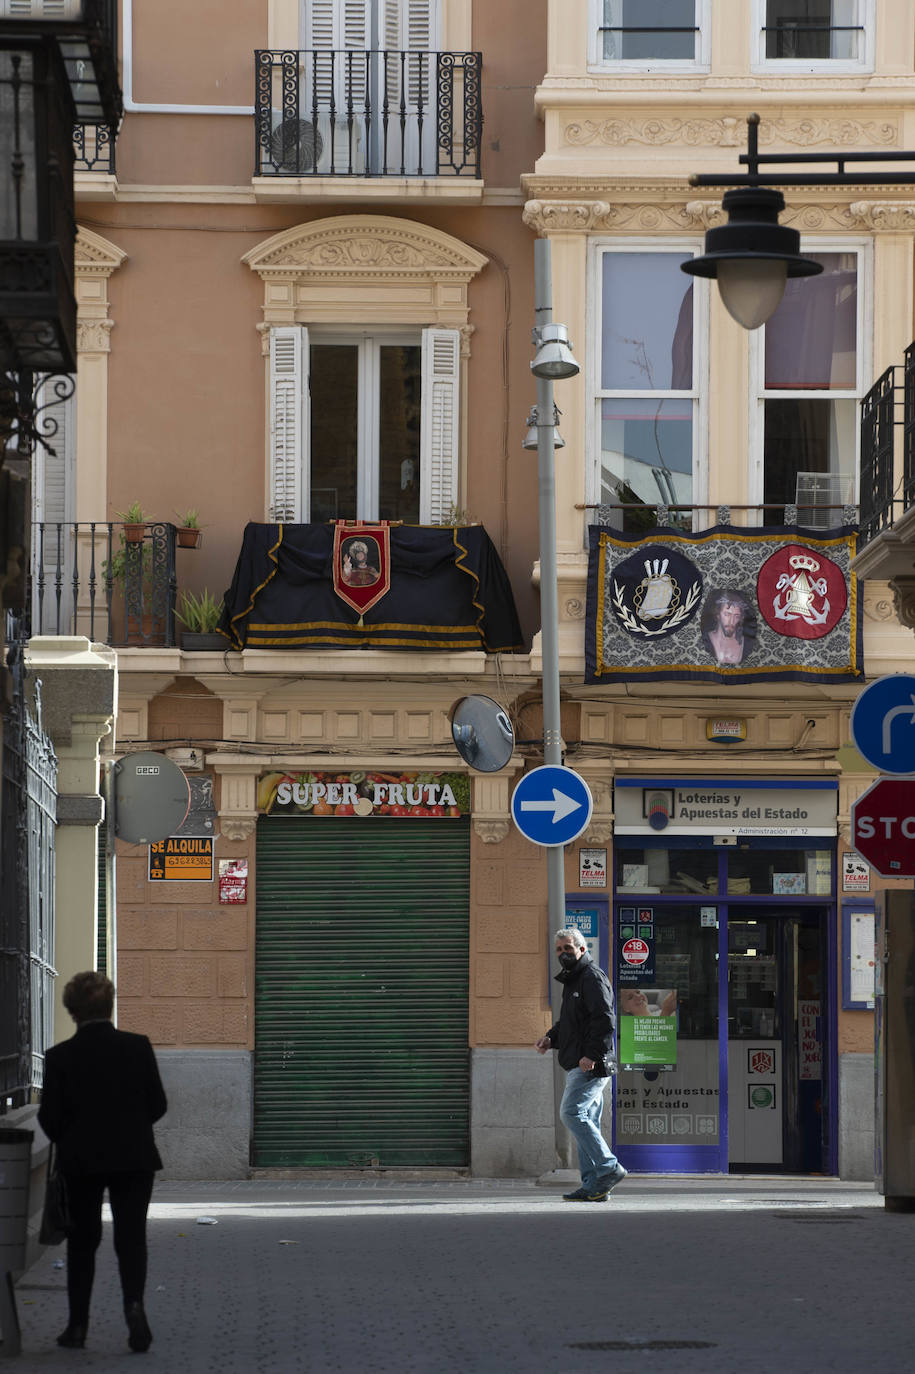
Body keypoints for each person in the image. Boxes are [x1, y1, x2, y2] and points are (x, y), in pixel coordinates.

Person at [38, 971, 167, 1354]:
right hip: (135, 1157)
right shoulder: (137, 1047)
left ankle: (77, 1327)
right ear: (109, 1006)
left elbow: (49, 1118)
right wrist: (132, 1128)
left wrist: (73, 1137)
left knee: (82, 1243)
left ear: (72, 1012)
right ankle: (134, 1307)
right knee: (131, 1238)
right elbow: (157, 1104)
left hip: (81, 1161)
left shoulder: (60, 1057)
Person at [534, 928, 627, 1203]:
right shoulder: (574, 981)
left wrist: (591, 1054)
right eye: (559, 950)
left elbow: (604, 1019)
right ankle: (593, 1185)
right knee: (587, 1121)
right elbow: (571, 1025)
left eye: (568, 948)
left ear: (582, 950)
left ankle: (609, 1168)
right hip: (581, 1060)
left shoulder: (591, 977)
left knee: (571, 1113)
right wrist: (550, 1038)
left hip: (590, 1065)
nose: (563, 953)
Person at [701, 589, 753, 665]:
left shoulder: (747, 643)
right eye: (727, 614)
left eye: (736, 616)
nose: (731, 622)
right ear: (718, 614)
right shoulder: (705, 638)